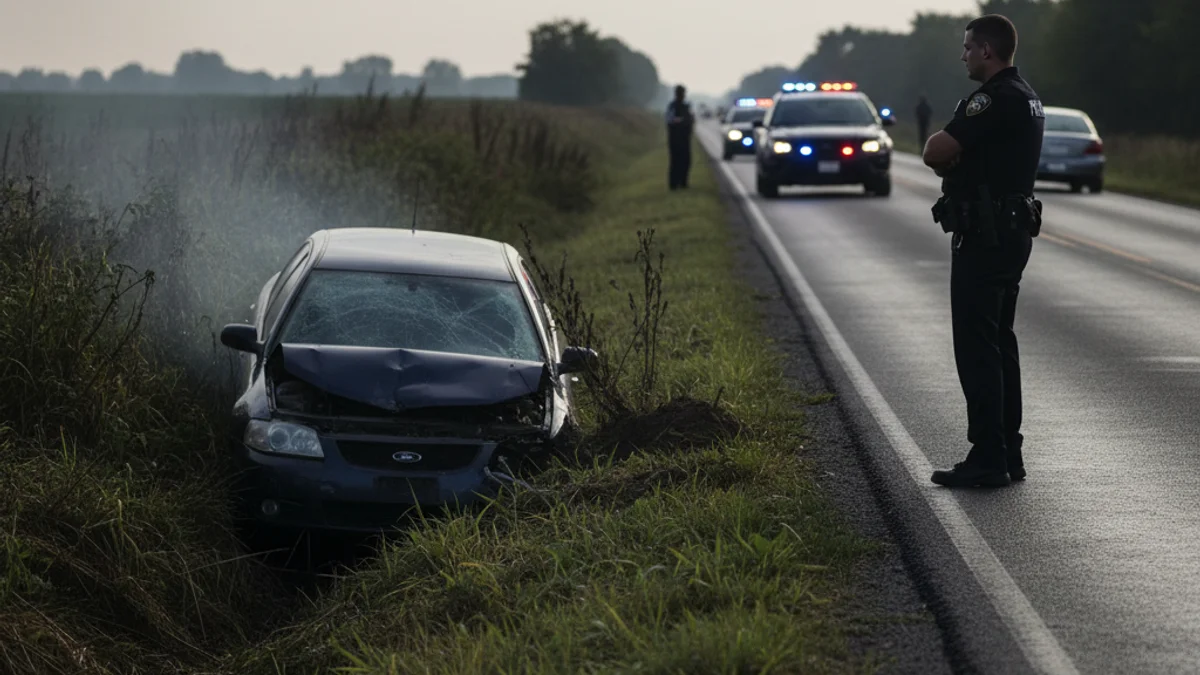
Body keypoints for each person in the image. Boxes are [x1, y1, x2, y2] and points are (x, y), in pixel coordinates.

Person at [921, 14, 1045, 488]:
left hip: (988, 235)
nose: (964, 54)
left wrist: (955, 156)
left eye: (969, 47)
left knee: (977, 345)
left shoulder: (992, 98)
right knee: (1000, 343)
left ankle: (988, 455)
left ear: (988, 51)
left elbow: (935, 150)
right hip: (1011, 232)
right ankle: (1007, 450)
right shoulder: (1027, 96)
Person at [665, 85, 695, 190]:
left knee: (686, 161)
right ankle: (673, 184)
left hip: (685, 138)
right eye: (681, 93)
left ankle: (683, 182)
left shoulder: (685, 107)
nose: (683, 95)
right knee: (675, 162)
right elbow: (670, 120)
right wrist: (682, 121)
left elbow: (690, 120)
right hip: (675, 139)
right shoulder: (673, 106)